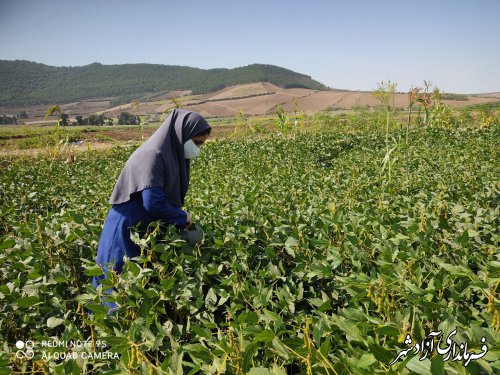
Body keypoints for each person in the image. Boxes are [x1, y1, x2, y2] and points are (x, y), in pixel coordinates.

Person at [92, 109, 211, 311]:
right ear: (182, 135)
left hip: (142, 228)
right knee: (115, 285)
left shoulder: (169, 155)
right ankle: (103, 338)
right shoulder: (153, 155)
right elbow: (153, 203)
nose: (199, 149)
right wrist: (183, 217)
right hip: (126, 228)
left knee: (135, 289)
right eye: (197, 143)